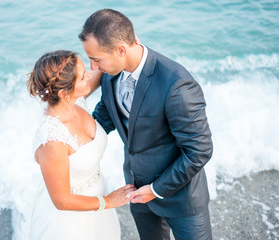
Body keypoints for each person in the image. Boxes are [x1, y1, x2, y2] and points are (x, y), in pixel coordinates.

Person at [79, 9, 214, 240]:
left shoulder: (176, 85)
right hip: (136, 191)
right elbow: (102, 119)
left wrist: (154, 190)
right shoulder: (111, 73)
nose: (93, 68)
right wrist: (66, 138)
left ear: (120, 50)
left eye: (96, 59)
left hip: (182, 199)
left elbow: (199, 151)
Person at [25, 50, 136, 240]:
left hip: (98, 198)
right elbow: (62, 200)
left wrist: (124, 46)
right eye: (83, 76)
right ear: (64, 92)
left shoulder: (76, 100)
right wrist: (108, 201)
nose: (89, 75)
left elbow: (103, 67)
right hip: (68, 220)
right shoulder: (52, 139)